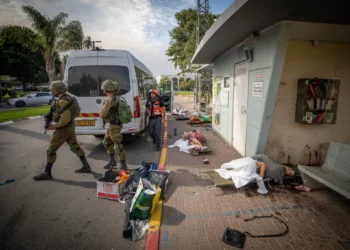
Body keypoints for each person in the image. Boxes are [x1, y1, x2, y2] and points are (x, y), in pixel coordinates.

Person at [33, 81, 91, 181]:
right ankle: (86, 166)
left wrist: (54, 126)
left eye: (52, 88)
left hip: (63, 129)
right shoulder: (69, 98)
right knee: (74, 146)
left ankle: (47, 173)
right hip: (69, 127)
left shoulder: (63, 101)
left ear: (57, 90)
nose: (51, 90)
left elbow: (65, 120)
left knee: (51, 149)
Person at [100, 79, 127, 170]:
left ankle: (123, 165)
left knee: (117, 144)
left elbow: (103, 114)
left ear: (107, 90)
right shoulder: (117, 98)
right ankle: (112, 161)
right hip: (114, 124)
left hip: (114, 125)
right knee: (106, 141)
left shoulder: (109, 100)